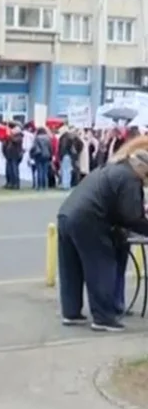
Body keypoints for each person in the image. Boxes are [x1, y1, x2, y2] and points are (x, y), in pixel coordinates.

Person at [56, 138, 148, 333]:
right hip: (90, 221)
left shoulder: (110, 169)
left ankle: (71, 312)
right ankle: (103, 317)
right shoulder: (130, 178)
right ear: (141, 168)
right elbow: (131, 216)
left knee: (71, 268)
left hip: (67, 214)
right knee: (101, 266)